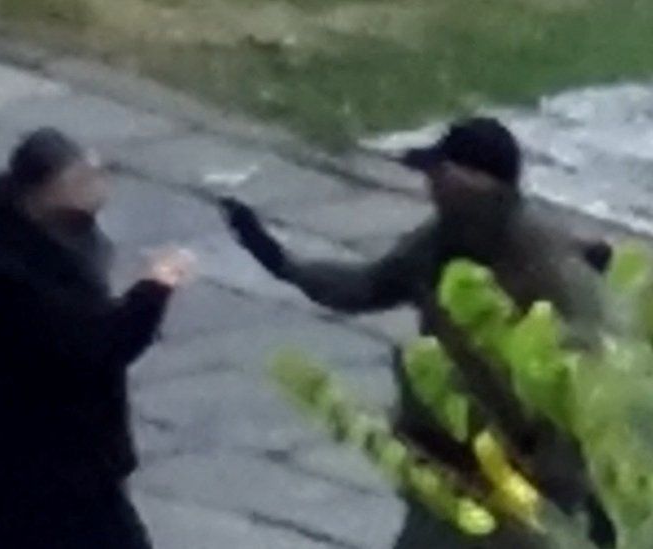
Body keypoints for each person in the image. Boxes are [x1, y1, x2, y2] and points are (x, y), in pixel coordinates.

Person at [220, 117, 614, 547]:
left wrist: (552, 488)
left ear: (480, 185)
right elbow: (369, 285)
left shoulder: (551, 272)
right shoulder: (442, 241)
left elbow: (583, 385)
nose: (430, 187)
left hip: (516, 485)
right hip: (443, 461)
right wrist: (284, 264)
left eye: (440, 175)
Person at [0, 128, 194, 549]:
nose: (98, 186)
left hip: (73, 463)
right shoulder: (9, 279)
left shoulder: (59, 236)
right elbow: (95, 347)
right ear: (40, 193)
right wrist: (152, 290)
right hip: (38, 472)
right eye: (80, 179)